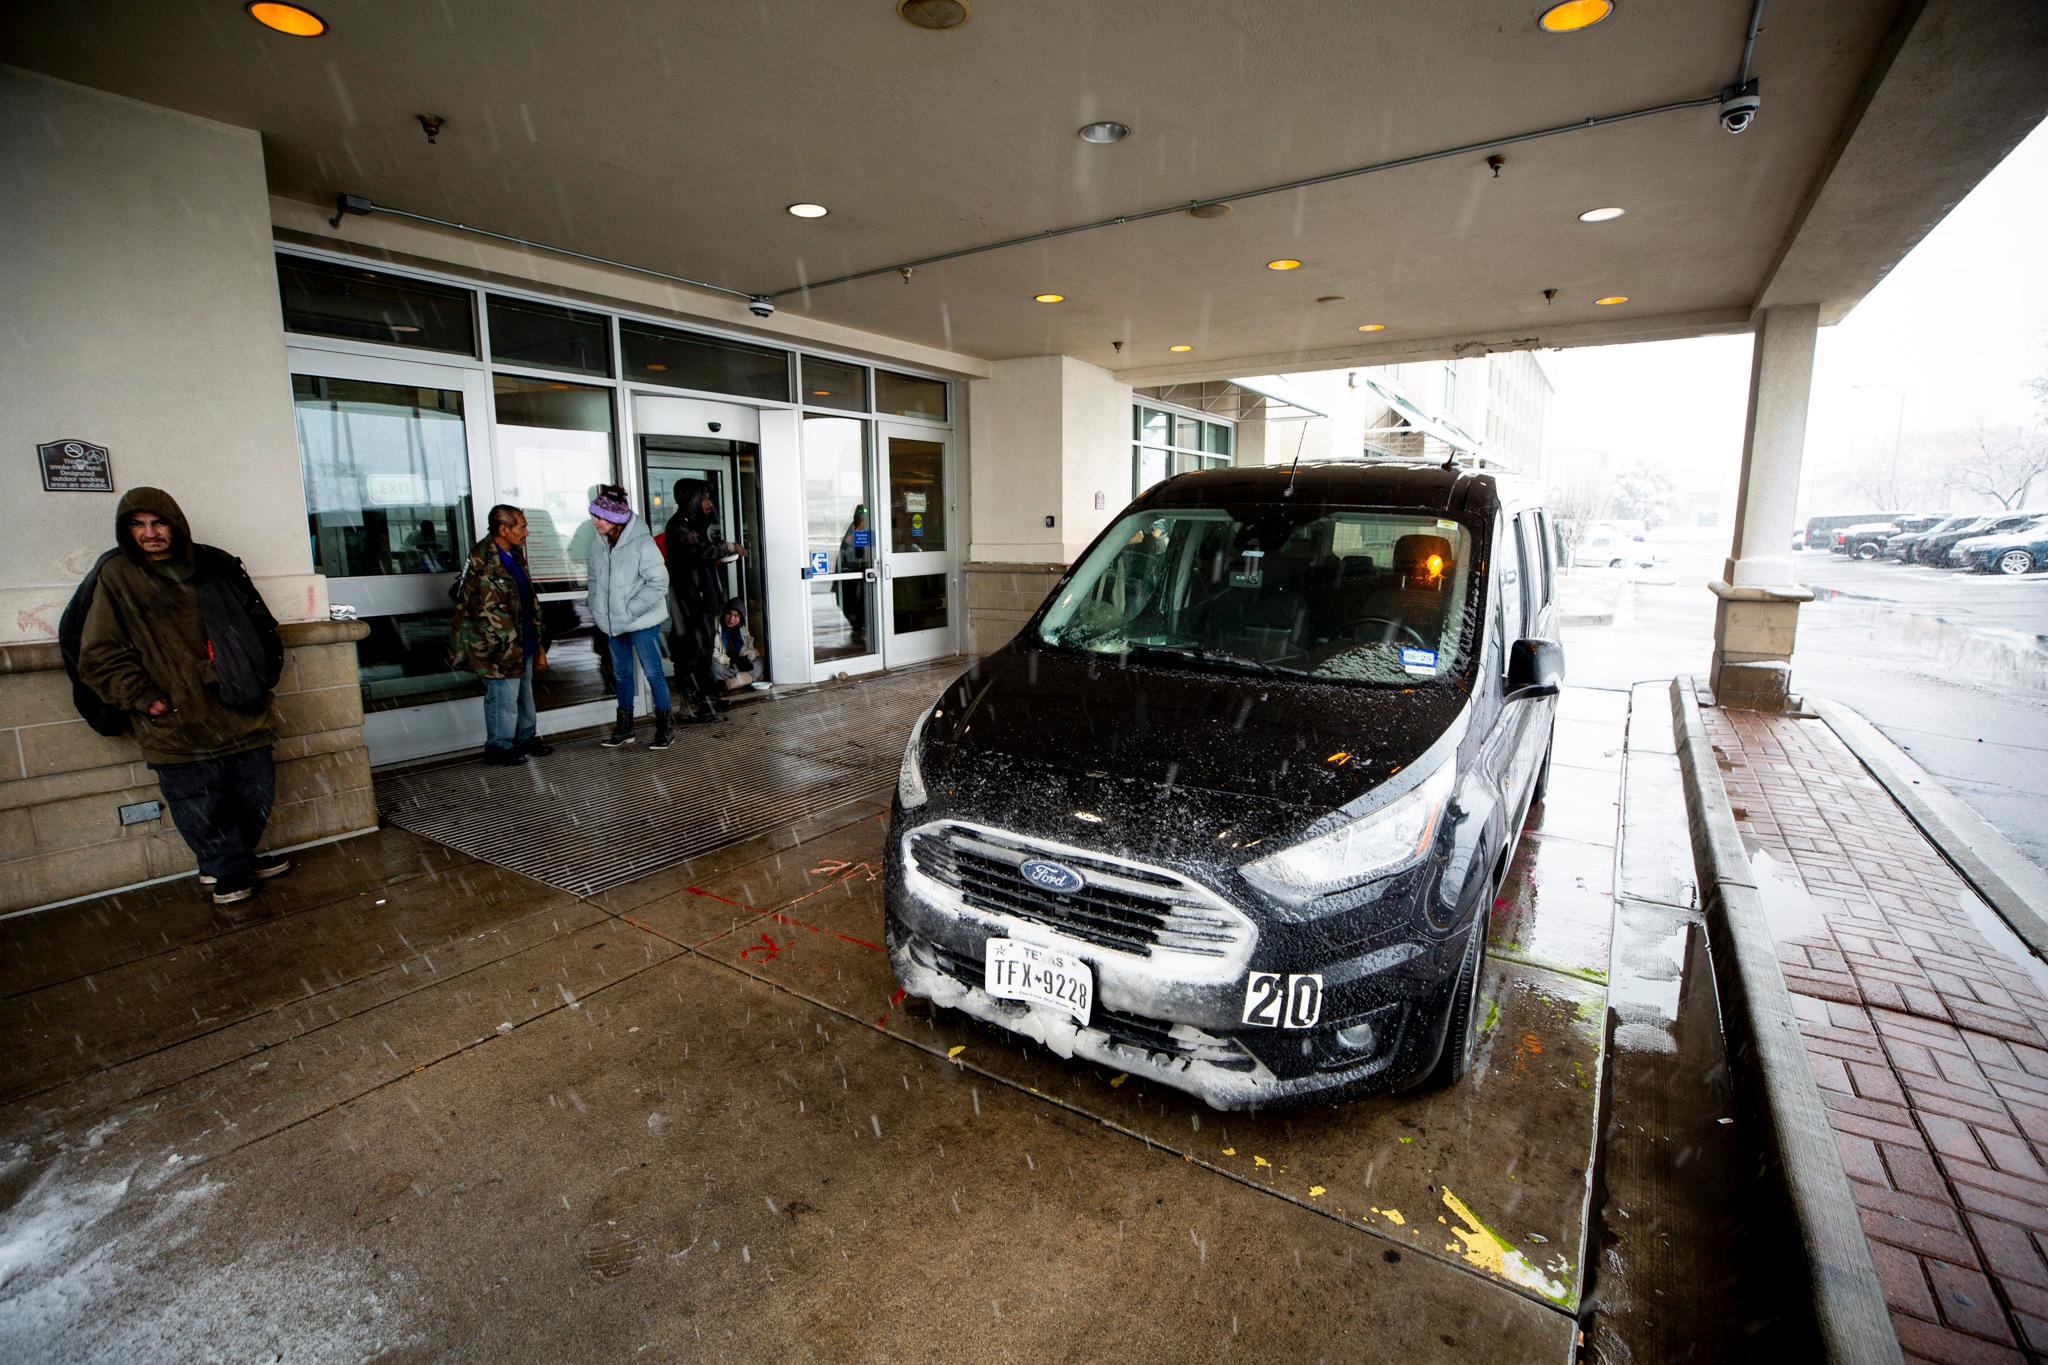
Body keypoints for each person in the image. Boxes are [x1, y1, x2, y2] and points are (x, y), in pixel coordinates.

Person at [77, 488, 288, 907]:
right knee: (198, 799)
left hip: (237, 701)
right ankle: (225, 868)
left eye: (159, 523)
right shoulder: (119, 575)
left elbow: (254, 623)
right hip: (175, 713)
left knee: (255, 789)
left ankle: (233, 858)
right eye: (138, 525)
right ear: (127, 530)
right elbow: (99, 650)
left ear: (176, 524)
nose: (150, 533)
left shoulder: (212, 564)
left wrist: (254, 673)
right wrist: (141, 696)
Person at [449, 504, 550, 765]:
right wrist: (509, 644)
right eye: (522, 527)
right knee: (503, 697)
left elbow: (525, 596)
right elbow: (488, 610)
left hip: (521, 640)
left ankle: (525, 739)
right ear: (503, 529)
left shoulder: (513, 554)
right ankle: (499, 747)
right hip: (498, 645)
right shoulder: (483, 560)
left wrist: (536, 639)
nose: (526, 532)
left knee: (523, 693)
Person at [585, 484, 673, 750]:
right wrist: (595, 605)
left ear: (615, 519)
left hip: (641, 621)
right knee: (622, 676)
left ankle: (665, 727)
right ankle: (624, 729)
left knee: (654, 673)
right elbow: (593, 580)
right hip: (613, 623)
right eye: (594, 515)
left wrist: (630, 610)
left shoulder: (642, 544)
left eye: (599, 516)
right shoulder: (597, 544)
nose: (595, 521)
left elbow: (658, 583)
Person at [662, 478, 743, 724]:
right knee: (692, 655)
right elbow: (697, 553)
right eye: (705, 499)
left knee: (704, 654)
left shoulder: (693, 526)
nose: (710, 504)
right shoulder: (678, 526)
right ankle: (693, 705)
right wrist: (727, 546)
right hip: (689, 605)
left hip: (702, 603)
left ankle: (705, 700)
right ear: (693, 500)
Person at [710, 596, 764, 691]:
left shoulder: (742, 630)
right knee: (712, 667)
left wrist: (745, 658)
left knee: (762, 660)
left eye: (736, 616)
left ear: (741, 618)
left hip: (738, 669)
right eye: (729, 614)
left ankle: (734, 682)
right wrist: (732, 661)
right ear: (724, 613)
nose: (731, 619)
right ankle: (745, 679)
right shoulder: (713, 626)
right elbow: (712, 654)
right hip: (725, 667)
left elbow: (751, 651)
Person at [837, 504, 871, 644]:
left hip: (859, 573)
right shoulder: (854, 530)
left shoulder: (867, 528)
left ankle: (861, 628)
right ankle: (859, 627)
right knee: (849, 601)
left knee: (860, 601)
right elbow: (849, 548)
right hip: (849, 572)